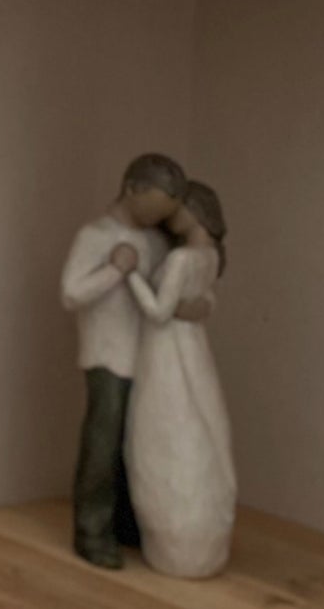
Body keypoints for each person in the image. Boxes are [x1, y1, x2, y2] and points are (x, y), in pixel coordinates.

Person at [59, 154, 185, 570]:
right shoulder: (95, 234)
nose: (160, 215)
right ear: (133, 189)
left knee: (137, 441)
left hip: (146, 356)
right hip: (107, 355)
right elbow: (71, 294)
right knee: (103, 441)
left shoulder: (155, 241)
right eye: (157, 203)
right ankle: (91, 530)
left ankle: (128, 522)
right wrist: (115, 270)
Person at [123, 181, 235, 578]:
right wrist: (199, 306)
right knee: (201, 427)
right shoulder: (209, 257)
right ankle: (201, 544)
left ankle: (176, 544)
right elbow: (207, 304)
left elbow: (157, 312)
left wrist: (131, 274)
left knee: (165, 432)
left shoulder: (183, 259)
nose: (172, 216)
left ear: (195, 212)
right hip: (195, 350)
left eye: (179, 208)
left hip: (166, 351)